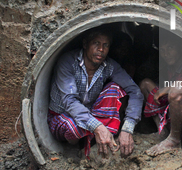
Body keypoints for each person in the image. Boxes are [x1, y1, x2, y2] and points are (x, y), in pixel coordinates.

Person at [47, 27, 144, 158]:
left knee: (115, 89)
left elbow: (135, 91)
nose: (101, 49)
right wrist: (97, 126)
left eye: (106, 45)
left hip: (90, 114)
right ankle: (74, 149)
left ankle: (100, 140)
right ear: (85, 44)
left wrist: (128, 128)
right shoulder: (68, 62)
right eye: (96, 43)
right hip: (63, 115)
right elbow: (69, 101)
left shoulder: (109, 66)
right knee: (73, 127)